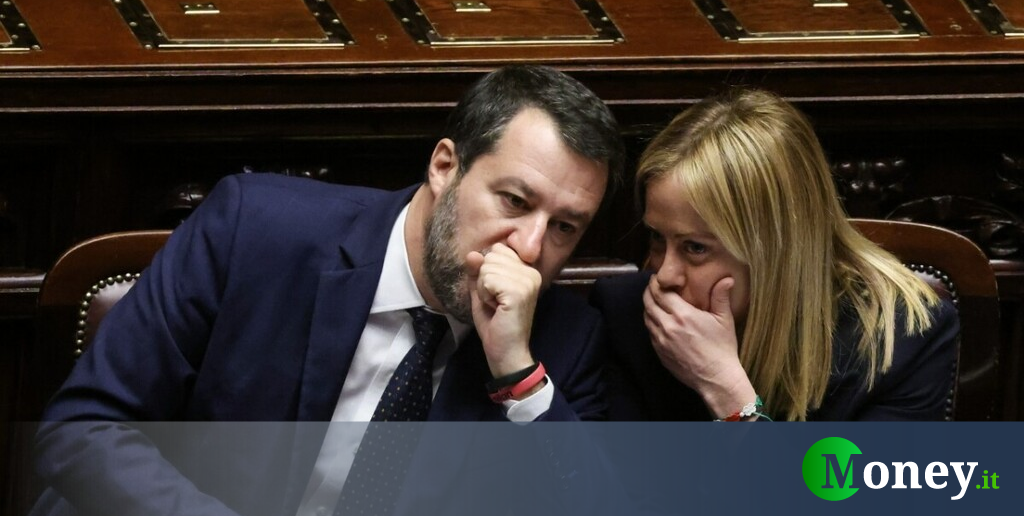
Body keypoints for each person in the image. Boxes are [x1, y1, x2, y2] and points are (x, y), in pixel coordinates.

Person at [31, 65, 626, 515]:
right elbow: (83, 431)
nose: (530, 247)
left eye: (564, 227)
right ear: (445, 167)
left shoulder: (561, 343)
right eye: (514, 201)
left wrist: (515, 371)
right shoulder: (256, 231)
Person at [591, 88, 958, 422]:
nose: (664, 274)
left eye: (695, 248)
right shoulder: (625, 317)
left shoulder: (900, 340)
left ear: (774, 251)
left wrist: (725, 390)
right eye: (657, 237)